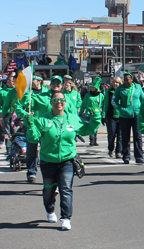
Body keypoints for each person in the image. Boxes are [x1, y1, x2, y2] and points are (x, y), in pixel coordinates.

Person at [24, 91, 101, 230]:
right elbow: (34, 138)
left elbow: (88, 129)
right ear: (51, 102)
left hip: (67, 160)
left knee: (66, 189)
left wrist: (96, 115)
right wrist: (30, 125)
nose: (59, 103)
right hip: (48, 160)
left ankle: (66, 217)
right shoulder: (43, 119)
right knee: (49, 189)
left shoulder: (73, 118)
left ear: (65, 103)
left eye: (62, 100)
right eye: (56, 100)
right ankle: (50, 209)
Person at [112, 71, 144, 164]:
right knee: (125, 137)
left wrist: (142, 111)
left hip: (136, 115)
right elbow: (114, 101)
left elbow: (143, 100)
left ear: (132, 79)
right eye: (125, 80)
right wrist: (122, 109)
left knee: (137, 136)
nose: (126, 82)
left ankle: (139, 157)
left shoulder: (137, 87)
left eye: (128, 80)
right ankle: (126, 156)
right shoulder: (120, 89)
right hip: (124, 116)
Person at [79, 77, 104, 146]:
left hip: (97, 114)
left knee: (96, 127)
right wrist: (81, 112)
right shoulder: (88, 95)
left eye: (93, 87)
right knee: (91, 127)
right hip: (89, 113)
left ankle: (95, 139)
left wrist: (103, 113)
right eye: (91, 87)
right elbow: (83, 104)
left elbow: (103, 104)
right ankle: (91, 140)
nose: (92, 89)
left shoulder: (101, 95)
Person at [103, 77, 123, 158]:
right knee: (111, 135)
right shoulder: (109, 93)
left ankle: (119, 152)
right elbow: (105, 105)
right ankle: (111, 149)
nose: (115, 84)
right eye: (114, 82)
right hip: (111, 116)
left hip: (121, 116)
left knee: (120, 136)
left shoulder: (123, 92)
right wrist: (103, 116)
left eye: (117, 82)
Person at [0, 74, 16, 154]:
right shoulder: (2, 92)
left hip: (16, 115)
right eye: (12, 81)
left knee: (15, 131)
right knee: (7, 132)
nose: (13, 83)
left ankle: (15, 148)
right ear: (7, 81)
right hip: (6, 114)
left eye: (14, 81)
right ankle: (8, 148)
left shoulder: (18, 91)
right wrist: (1, 117)